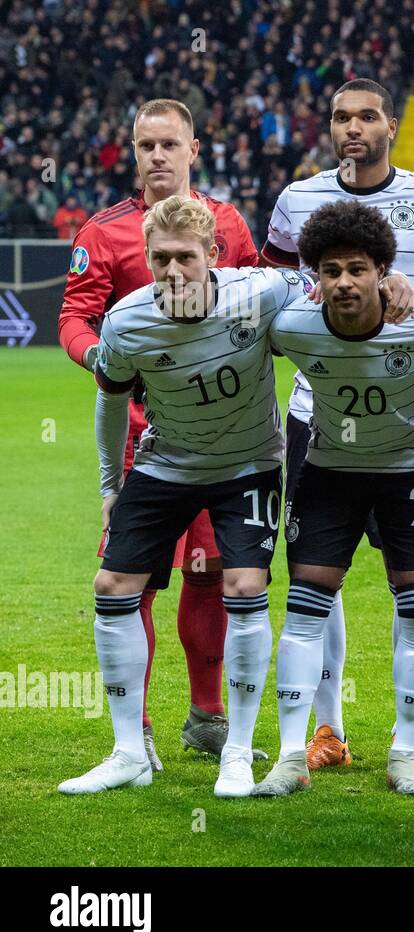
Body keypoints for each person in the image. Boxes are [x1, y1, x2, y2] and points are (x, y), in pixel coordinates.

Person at [260, 78, 414, 773]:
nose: (352, 128)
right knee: (313, 581)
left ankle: (408, 731)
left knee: (408, 581)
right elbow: (269, 287)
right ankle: (324, 730)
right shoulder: (298, 199)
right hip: (316, 413)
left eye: (365, 116)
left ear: (391, 124)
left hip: (403, 412)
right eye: (339, 117)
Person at [59, 195, 304, 796]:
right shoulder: (126, 322)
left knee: (244, 586)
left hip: (247, 464)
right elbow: (110, 400)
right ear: (147, 258)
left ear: (212, 255)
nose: (173, 271)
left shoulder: (264, 291)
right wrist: (111, 488)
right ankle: (128, 753)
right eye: (160, 258)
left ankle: (238, 753)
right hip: (166, 464)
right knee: (112, 586)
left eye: (185, 258)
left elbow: (328, 291)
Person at [57, 98, 261, 771]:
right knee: (131, 581)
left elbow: (255, 299)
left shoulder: (227, 224)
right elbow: (74, 319)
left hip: (220, 433)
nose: (157, 157)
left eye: (169, 145)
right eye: (146, 146)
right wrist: (108, 363)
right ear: (135, 151)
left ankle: (207, 718)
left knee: (210, 574)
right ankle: (135, 734)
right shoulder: (104, 232)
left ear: (194, 150)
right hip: (140, 434)